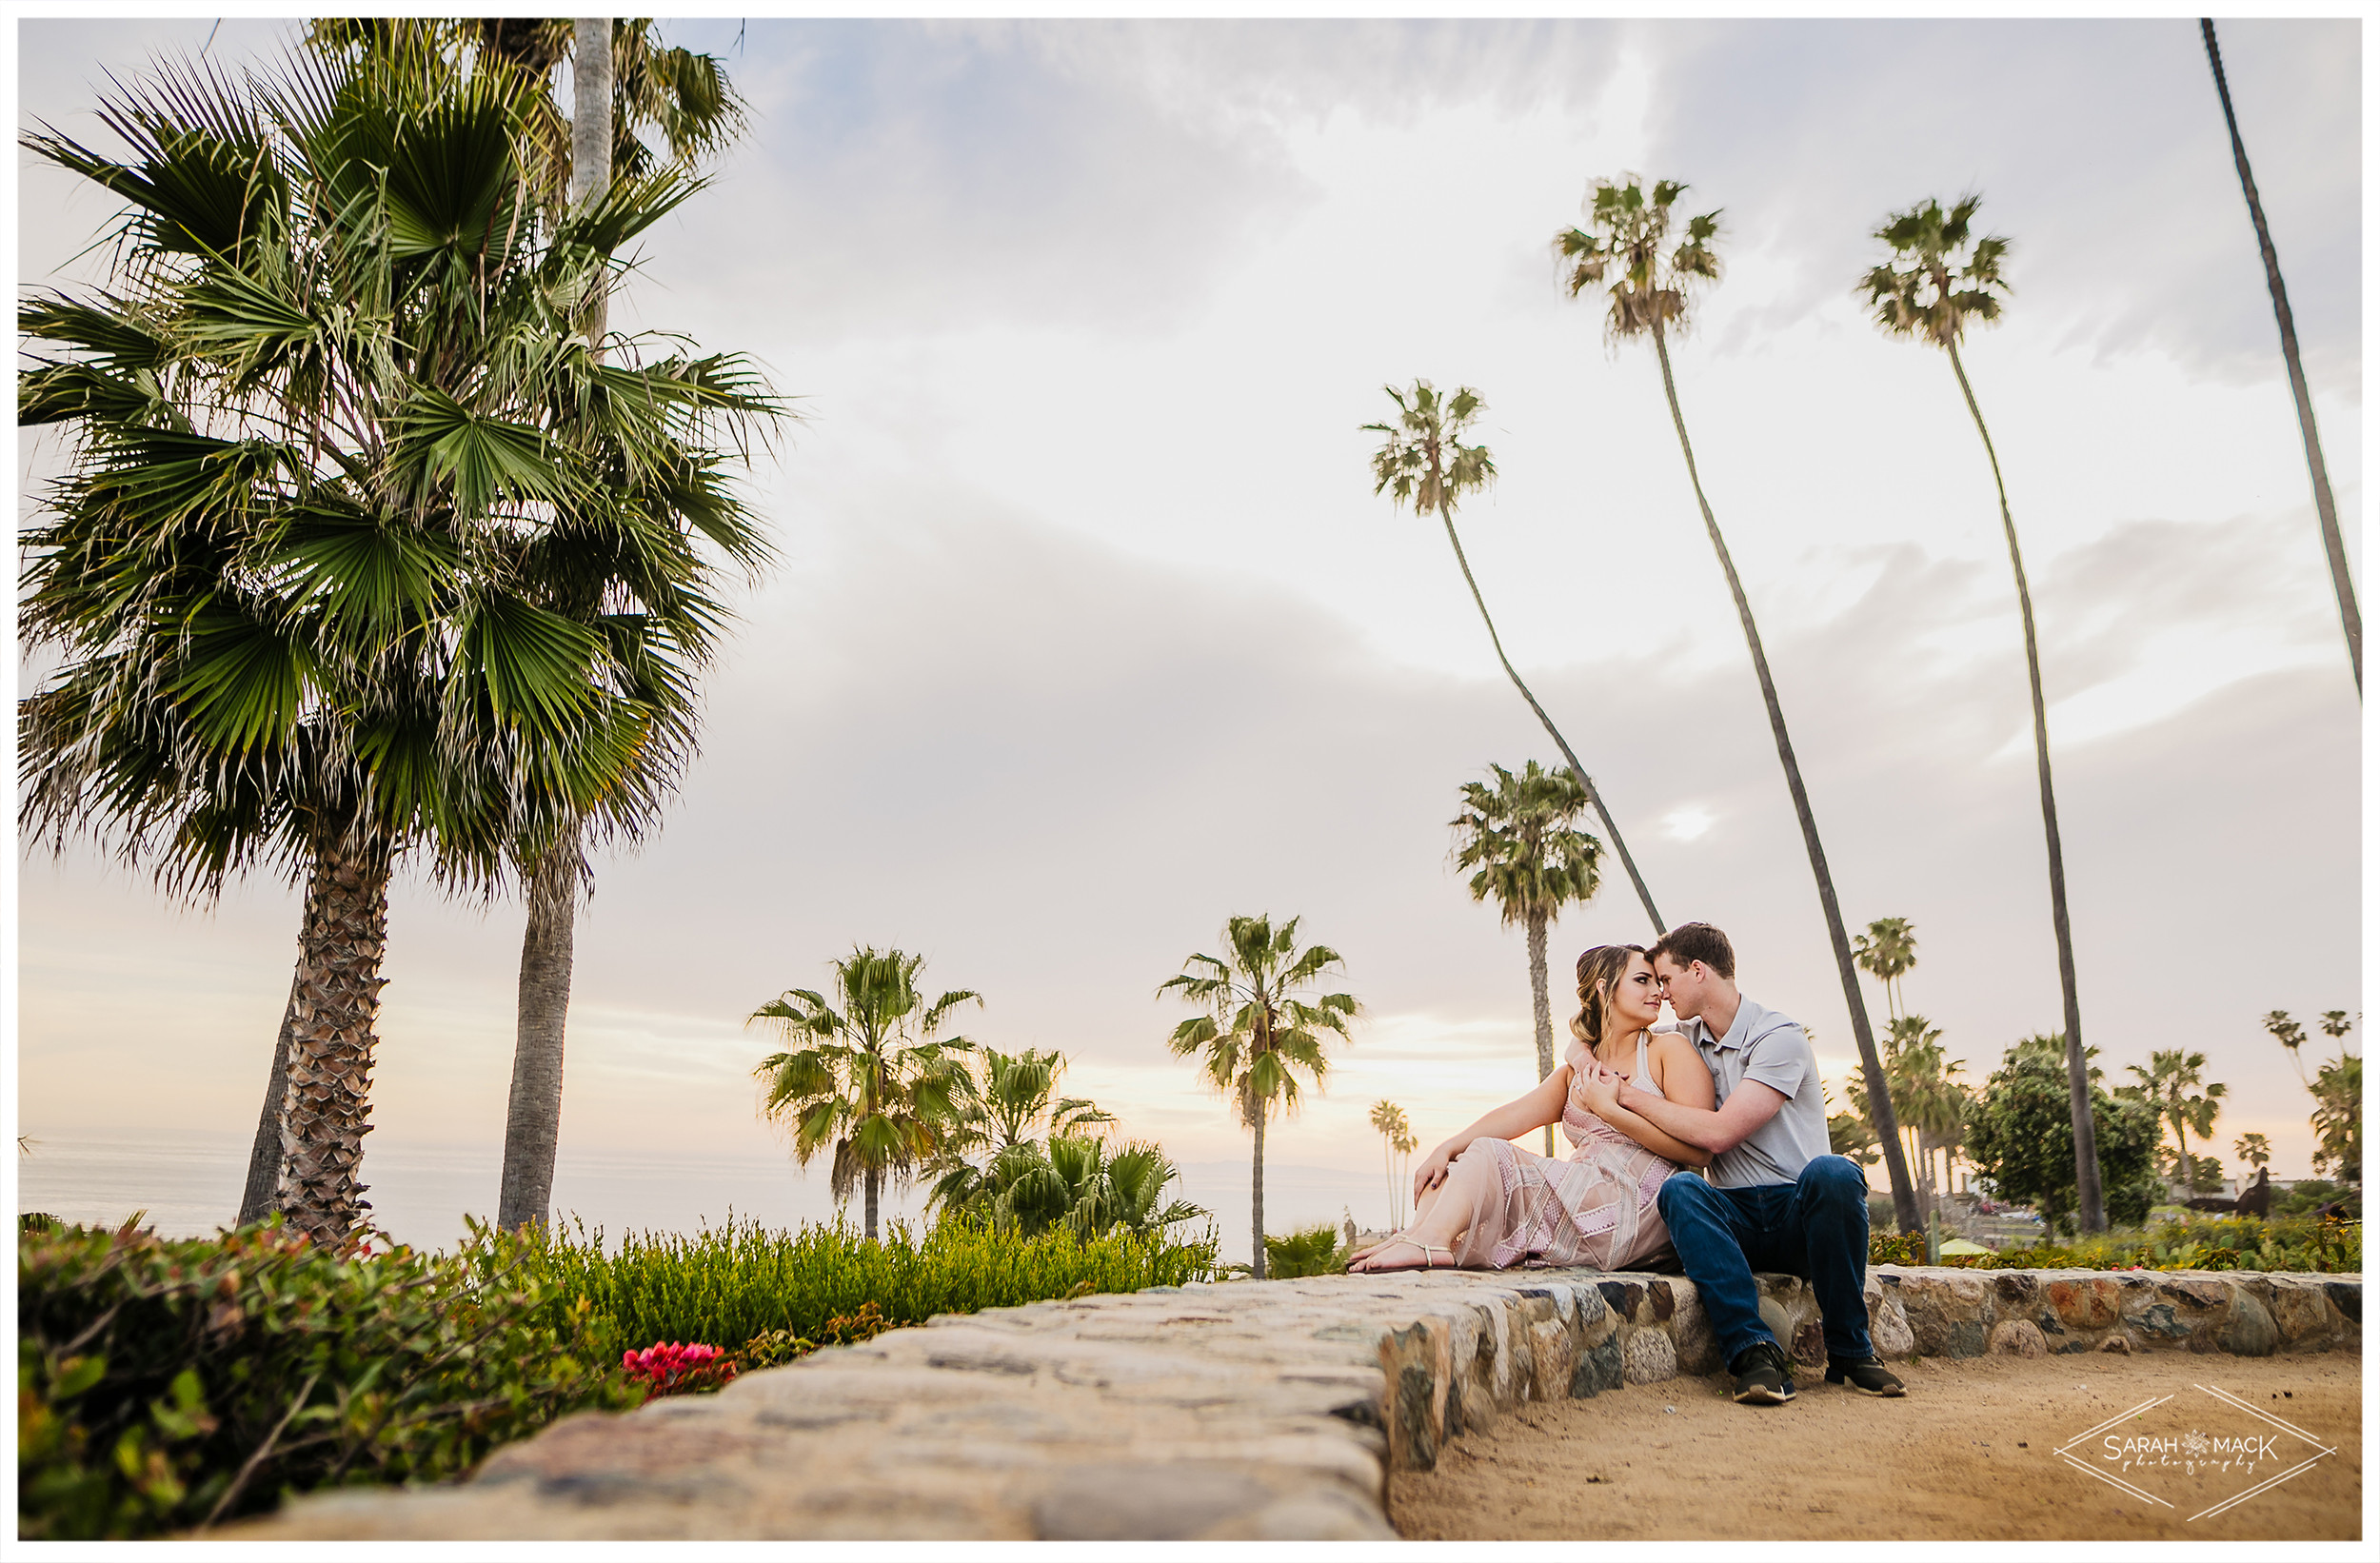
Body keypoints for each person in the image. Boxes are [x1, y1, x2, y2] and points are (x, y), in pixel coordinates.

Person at [1594, 921, 1906, 1406]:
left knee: (1835, 1172)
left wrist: (1625, 1099)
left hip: (1798, 1216)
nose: (1661, 992)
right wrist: (1579, 1053)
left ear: (1697, 971)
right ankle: (1753, 1353)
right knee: (1681, 1191)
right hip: (1734, 1217)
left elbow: (1719, 1134)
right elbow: (1604, 1034)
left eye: (1667, 979)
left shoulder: (1778, 1037)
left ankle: (1851, 1350)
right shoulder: (1686, 1038)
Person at [1346, 944, 1715, 1274]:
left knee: (1491, 1153)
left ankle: (1431, 1242)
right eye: (1643, 981)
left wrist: (1614, 1111)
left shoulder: (1667, 1050)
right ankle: (1418, 1236)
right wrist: (1446, 1147)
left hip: (1642, 1203)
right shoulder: (1576, 1071)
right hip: (1587, 1190)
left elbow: (1698, 1152)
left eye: (1657, 983)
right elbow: (1512, 1116)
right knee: (1457, 1165)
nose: (1658, 992)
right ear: (1605, 988)